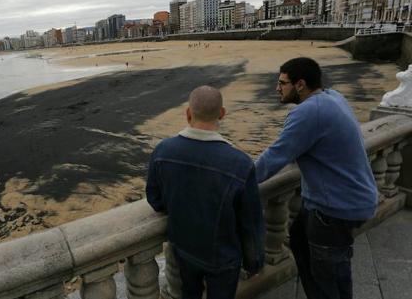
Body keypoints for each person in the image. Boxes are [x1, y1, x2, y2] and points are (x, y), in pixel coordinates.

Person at [256, 57, 378, 299]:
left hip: (334, 208)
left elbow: (272, 159)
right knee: (300, 239)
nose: (277, 88)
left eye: (282, 83)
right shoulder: (333, 97)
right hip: (347, 197)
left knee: (329, 275)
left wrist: (235, 180)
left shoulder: (309, 113)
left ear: (300, 85)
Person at [146, 86, 265, 299]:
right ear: (222, 113)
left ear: (188, 113)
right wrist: (254, 262)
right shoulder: (240, 163)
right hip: (223, 256)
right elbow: (250, 221)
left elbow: (155, 200)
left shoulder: (163, 150)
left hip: (184, 249)